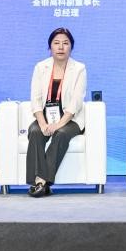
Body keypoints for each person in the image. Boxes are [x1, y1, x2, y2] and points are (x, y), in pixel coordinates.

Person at [25, 27, 87, 197]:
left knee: (60, 134)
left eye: (65, 43)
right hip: (45, 116)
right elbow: (36, 98)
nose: (61, 47)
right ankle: (41, 184)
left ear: (71, 47)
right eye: (56, 43)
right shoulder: (41, 67)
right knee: (35, 131)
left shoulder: (79, 68)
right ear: (50, 46)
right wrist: (42, 123)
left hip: (70, 119)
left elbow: (76, 102)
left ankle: (40, 182)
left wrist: (59, 124)